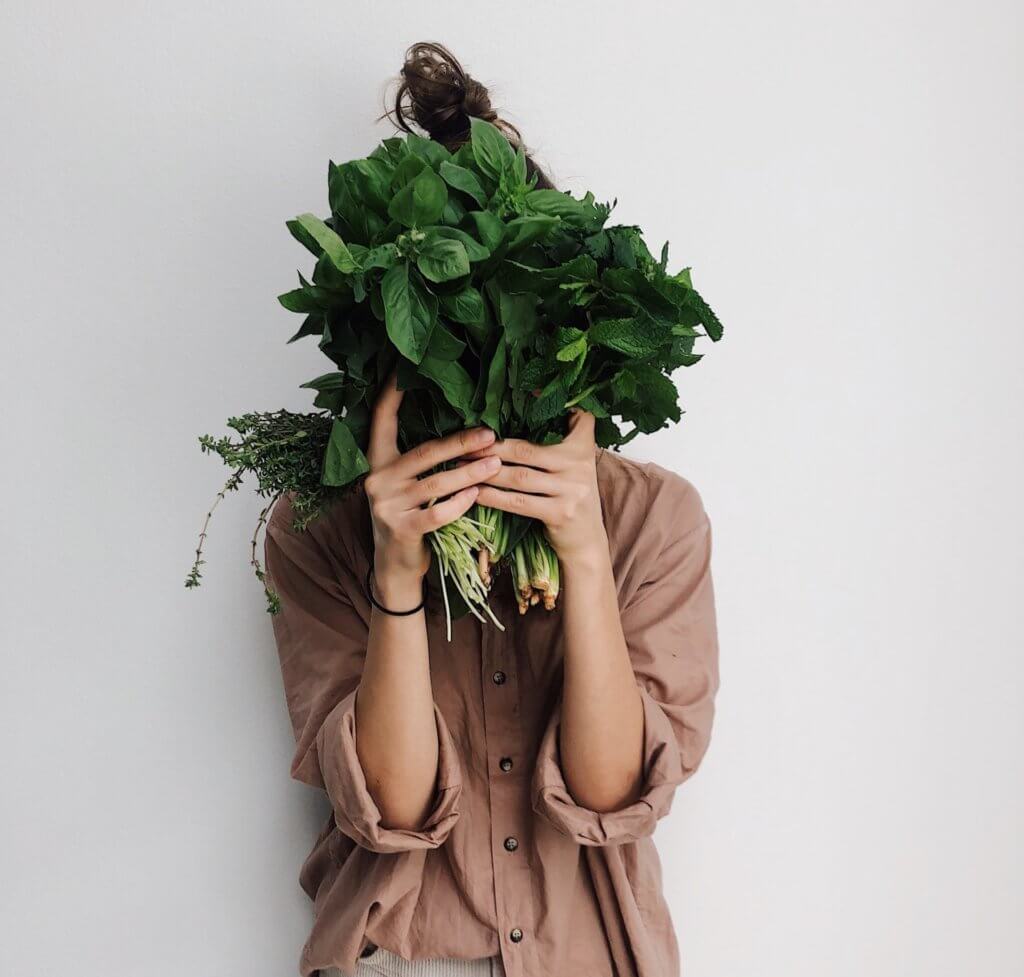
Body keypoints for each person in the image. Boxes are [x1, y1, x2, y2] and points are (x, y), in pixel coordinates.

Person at [263, 42, 720, 977]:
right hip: (402, 952)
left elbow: (611, 794)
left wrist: (583, 556)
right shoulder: (319, 526)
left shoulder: (653, 520)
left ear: (562, 333)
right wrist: (397, 573)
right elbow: (389, 811)